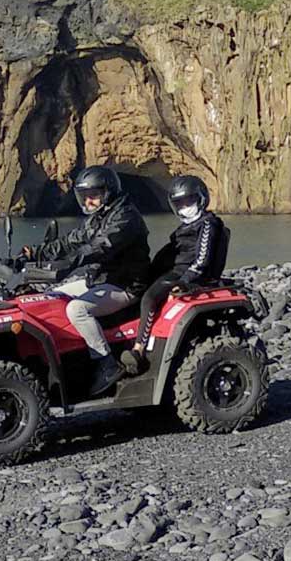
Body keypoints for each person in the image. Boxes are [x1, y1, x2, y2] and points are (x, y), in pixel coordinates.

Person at [35, 166, 150, 396]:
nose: (88, 201)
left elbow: (102, 246)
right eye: (84, 196)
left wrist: (71, 263)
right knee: (53, 296)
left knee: (77, 309)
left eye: (93, 195)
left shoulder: (125, 217)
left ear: (108, 193)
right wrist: (34, 254)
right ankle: (69, 354)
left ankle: (105, 362)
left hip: (126, 285)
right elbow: (71, 241)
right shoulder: (99, 217)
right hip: (101, 279)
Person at [121, 175, 227, 374]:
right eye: (179, 203)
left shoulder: (207, 224)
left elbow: (202, 259)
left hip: (189, 275)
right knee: (136, 289)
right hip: (174, 271)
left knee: (149, 298)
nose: (184, 207)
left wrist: (185, 281)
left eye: (189, 201)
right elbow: (168, 253)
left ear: (201, 199)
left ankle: (139, 350)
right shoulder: (184, 228)